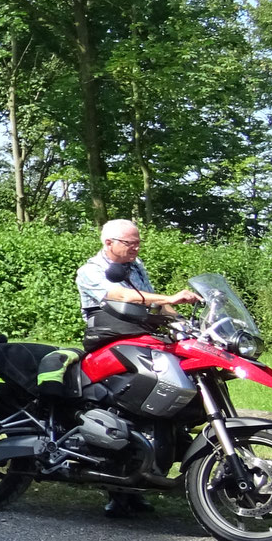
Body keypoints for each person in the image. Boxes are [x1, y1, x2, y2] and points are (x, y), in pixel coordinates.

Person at [76, 220, 199, 520]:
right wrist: (169, 298)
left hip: (141, 340)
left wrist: (184, 324)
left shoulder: (136, 266)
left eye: (137, 242)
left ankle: (143, 479)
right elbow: (124, 297)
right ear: (109, 243)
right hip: (109, 343)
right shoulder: (90, 270)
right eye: (130, 243)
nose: (136, 247)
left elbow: (156, 303)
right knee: (124, 407)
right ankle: (117, 491)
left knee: (163, 402)